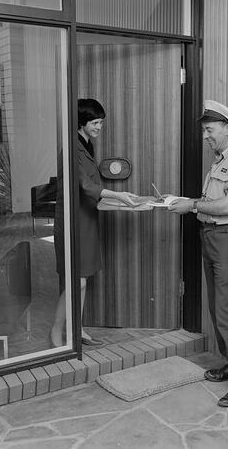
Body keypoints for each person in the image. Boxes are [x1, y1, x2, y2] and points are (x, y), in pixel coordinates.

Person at [169, 100, 228, 408]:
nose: (206, 136)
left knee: (226, 312)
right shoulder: (220, 158)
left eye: (209, 130)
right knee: (217, 309)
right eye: (205, 131)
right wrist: (189, 202)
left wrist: (191, 205)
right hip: (211, 237)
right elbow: (212, 200)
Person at [51, 98, 137, 347]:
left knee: (83, 278)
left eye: (101, 122)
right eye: (95, 123)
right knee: (75, 280)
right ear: (82, 123)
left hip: (87, 217)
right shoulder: (71, 149)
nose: (100, 127)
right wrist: (118, 195)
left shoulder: (86, 144)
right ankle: (57, 332)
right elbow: (86, 186)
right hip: (73, 220)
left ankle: (76, 330)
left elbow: (91, 188)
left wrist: (119, 201)